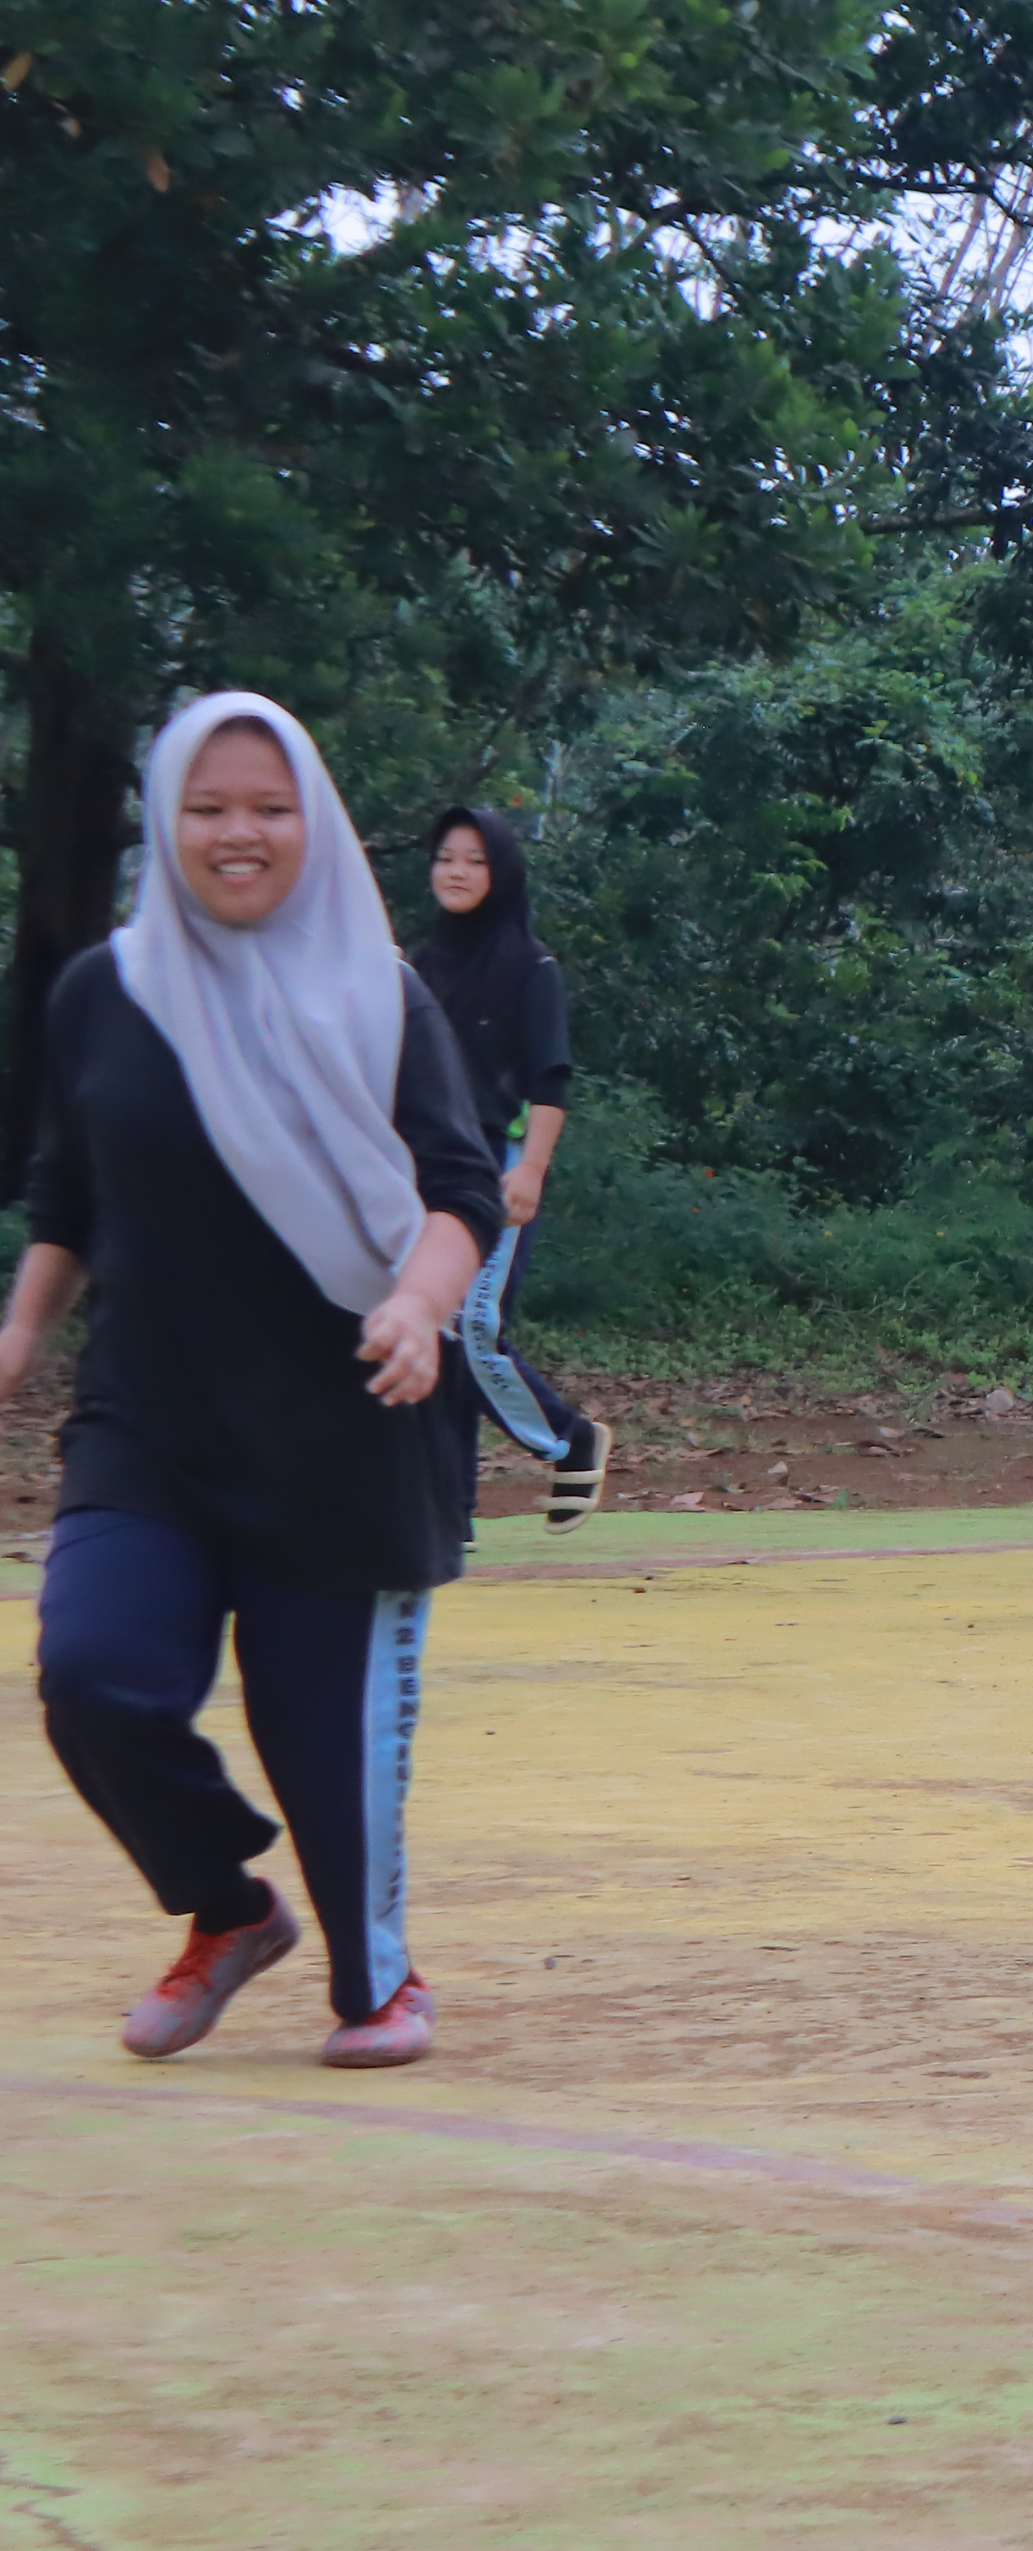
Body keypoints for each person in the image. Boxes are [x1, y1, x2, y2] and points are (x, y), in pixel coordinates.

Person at [0, 694, 500, 2068]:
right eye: (209, 807)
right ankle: (226, 1909)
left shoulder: (379, 994)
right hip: (148, 1424)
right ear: (168, 819)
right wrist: (21, 1331)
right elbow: (66, 1190)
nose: (239, 834)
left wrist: (417, 1298)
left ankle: (376, 1979)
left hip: (344, 1427)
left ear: (314, 823)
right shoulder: (106, 991)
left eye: (269, 809)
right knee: (94, 1679)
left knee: (325, 1764)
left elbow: (462, 1190)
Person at [414, 805, 612, 1528]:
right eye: (445, 858)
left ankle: (569, 1439)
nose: (456, 871)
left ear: (500, 874)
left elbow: (549, 1081)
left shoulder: (533, 967)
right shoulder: (419, 967)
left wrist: (530, 1169)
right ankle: (449, 1508)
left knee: (472, 1325)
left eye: (474, 860)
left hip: (494, 1164)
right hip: (421, 1169)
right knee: (432, 1331)